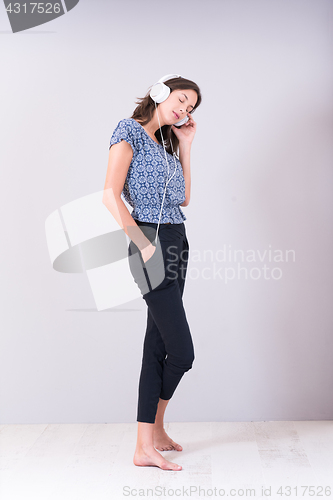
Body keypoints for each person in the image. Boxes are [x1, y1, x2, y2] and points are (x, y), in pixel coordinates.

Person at [103, 75, 202, 471]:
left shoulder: (167, 144)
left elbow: (184, 199)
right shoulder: (128, 131)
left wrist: (187, 147)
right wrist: (143, 244)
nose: (185, 109)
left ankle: (151, 439)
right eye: (182, 99)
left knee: (157, 345)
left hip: (177, 239)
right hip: (149, 240)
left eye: (191, 107)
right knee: (182, 351)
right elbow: (110, 193)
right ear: (161, 92)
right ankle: (150, 434)